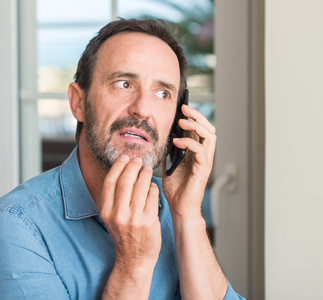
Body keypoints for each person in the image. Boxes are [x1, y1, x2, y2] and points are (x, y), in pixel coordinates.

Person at [0, 19, 245, 299]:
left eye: (163, 93)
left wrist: (188, 216)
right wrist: (133, 264)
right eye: (124, 83)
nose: (142, 108)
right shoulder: (16, 226)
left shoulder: (174, 210)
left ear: (179, 119)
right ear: (78, 102)